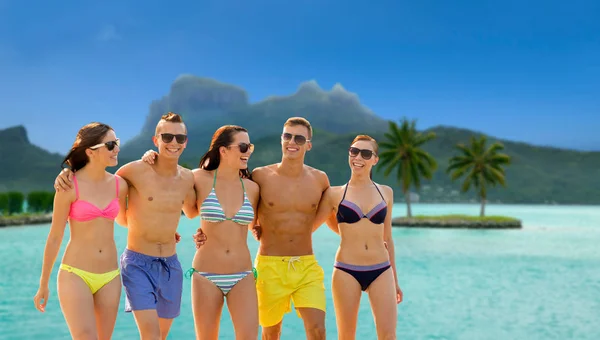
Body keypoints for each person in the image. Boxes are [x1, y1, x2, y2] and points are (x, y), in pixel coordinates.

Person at [53, 112, 198, 340]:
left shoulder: (189, 178)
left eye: (180, 138)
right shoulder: (132, 171)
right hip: (138, 262)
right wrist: (67, 172)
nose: (174, 143)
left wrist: (201, 233)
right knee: (150, 334)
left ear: (186, 142)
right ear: (156, 140)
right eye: (167, 137)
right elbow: (98, 178)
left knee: (161, 334)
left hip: (171, 264)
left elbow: (194, 212)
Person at [195, 117, 330, 340]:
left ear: (308, 144)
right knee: (270, 333)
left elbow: (332, 212)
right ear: (281, 139)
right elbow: (231, 199)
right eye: (287, 136)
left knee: (318, 330)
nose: (291, 141)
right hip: (269, 265)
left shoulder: (320, 179)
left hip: (306, 266)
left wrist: (369, 235)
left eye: (298, 137)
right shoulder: (260, 176)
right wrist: (205, 231)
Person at [143, 125, 260, 339]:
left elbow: (259, 224)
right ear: (223, 150)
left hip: (242, 273)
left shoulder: (252, 188)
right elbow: (171, 186)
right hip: (206, 274)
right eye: (243, 146)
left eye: (249, 147)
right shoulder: (198, 178)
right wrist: (152, 156)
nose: (248, 152)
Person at [33, 122, 128, 339]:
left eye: (117, 143)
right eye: (111, 145)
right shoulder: (68, 186)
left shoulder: (119, 185)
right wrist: (43, 284)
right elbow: (55, 236)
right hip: (75, 274)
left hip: (110, 276)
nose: (117, 149)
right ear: (90, 151)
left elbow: (129, 219)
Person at [312, 134, 403, 339]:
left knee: (388, 335)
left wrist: (395, 280)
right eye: (354, 151)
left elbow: (387, 238)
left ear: (375, 159)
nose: (358, 157)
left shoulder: (386, 193)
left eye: (365, 153)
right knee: (346, 336)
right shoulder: (334, 194)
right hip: (346, 270)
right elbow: (310, 227)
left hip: (381, 269)